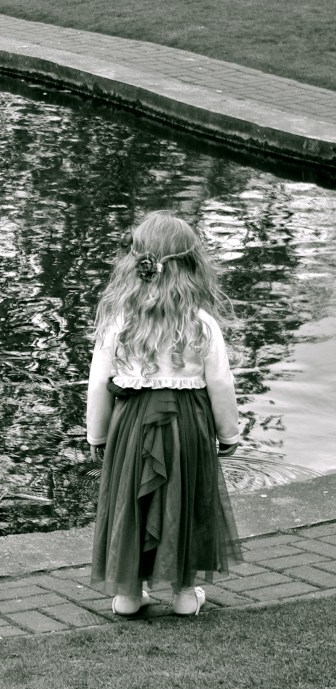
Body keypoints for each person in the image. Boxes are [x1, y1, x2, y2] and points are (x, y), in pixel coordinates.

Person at [87, 211, 241, 617]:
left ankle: (128, 595)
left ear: (137, 262)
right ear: (192, 265)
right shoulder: (202, 324)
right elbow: (221, 384)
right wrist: (229, 434)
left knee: (131, 503)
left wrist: (96, 436)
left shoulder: (118, 319)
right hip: (186, 424)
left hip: (131, 425)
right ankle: (185, 594)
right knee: (185, 500)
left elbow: (99, 382)